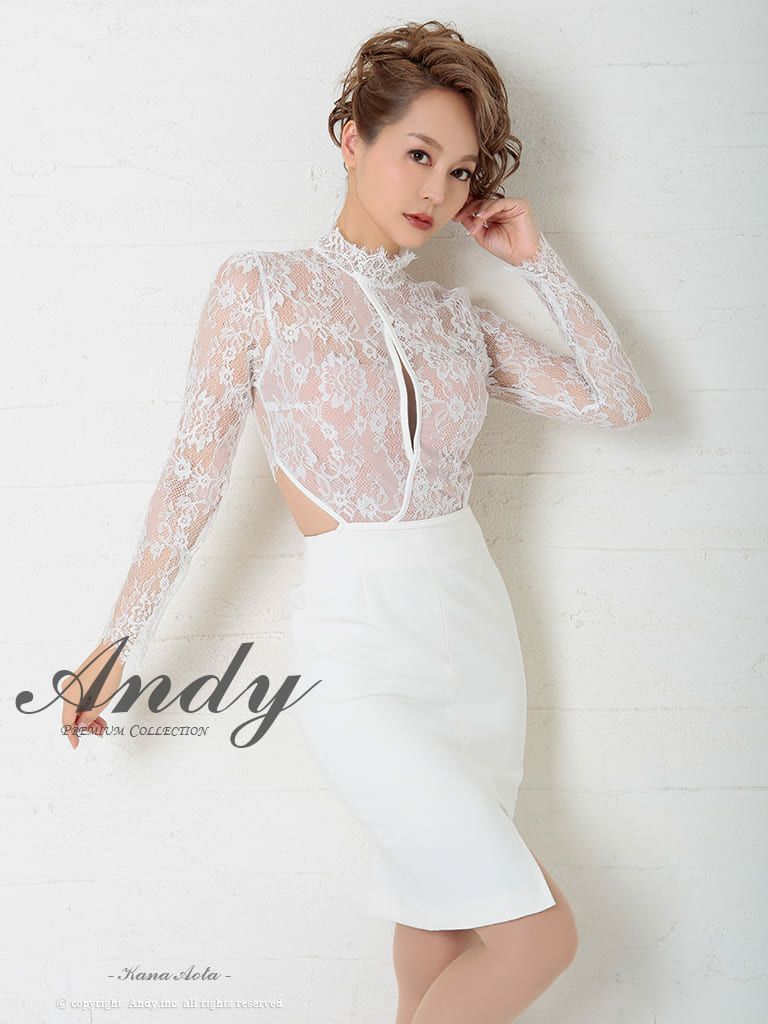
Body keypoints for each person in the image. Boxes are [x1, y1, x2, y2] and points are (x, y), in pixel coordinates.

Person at [64, 19, 653, 1023]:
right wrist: (120, 643)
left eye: (460, 172)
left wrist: (538, 262)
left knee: (444, 928)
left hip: (474, 641)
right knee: (540, 936)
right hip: (359, 651)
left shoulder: (453, 317)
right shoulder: (262, 288)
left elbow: (619, 401)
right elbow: (193, 477)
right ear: (352, 138)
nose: (438, 190)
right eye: (418, 154)